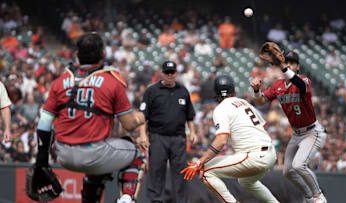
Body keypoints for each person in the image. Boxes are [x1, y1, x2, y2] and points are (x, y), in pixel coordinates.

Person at [33, 33, 147, 203]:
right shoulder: (112, 80)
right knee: (138, 153)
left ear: (77, 54)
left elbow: (44, 122)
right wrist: (143, 116)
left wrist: (41, 161)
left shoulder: (61, 80)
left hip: (63, 154)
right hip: (94, 153)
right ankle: (126, 198)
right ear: (103, 55)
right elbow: (129, 125)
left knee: (101, 163)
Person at [181, 74, 279, 203]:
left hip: (253, 156)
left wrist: (200, 162)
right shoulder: (245, 103)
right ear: (234, 90)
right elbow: (264, 126)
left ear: (216, 94)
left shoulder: (221, 109)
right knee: (246, 181)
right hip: (271, 154)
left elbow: (221, 141)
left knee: (204, 171)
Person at [250, 51, 327, 203]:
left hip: (312, 132)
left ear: (297, 67)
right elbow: (260, 102)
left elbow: (299, 84)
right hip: (296, 134)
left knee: (299, 165)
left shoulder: (304, 80)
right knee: (287, 172)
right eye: (287, 62)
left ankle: (319, 195)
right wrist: (257, 91)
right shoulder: (278, 85)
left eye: (292, 63)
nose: (288, 65)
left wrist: (284, 67)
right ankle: (309, 197)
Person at [138, 61, 198, 203]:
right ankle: (155, 201)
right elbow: (143, 115)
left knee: (180, 173)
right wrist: (142, 134)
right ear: (161, 73)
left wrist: (193, 132)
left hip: (178, 138)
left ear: (176, 73)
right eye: (167, 72)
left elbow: (189, 115)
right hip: (158, 137)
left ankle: (181, 201)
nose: (170, 75)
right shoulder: (152, 91)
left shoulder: (183, 91)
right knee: (156, 171)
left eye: (172, 72)